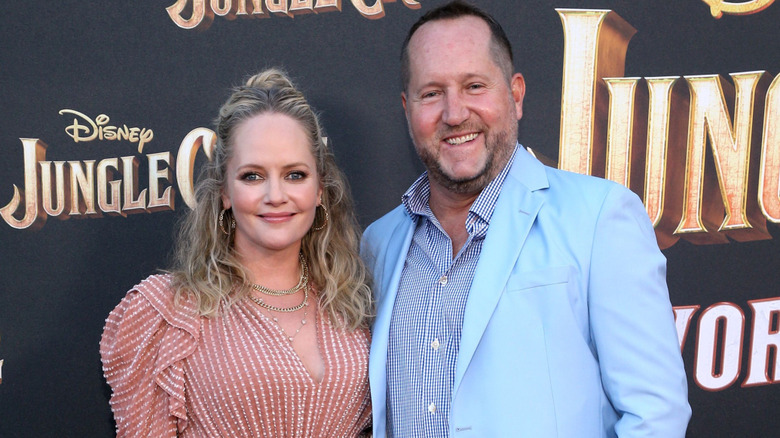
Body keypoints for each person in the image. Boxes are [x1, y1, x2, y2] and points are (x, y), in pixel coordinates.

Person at [361, 1, 691, 437]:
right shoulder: (379, 244)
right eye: (432, 93)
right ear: (407, 109)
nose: (454, 113)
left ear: (515, 95)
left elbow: (656, 417)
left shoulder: (599, 218)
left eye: (474, 86)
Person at [100, 68, 373, 437]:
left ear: (320, 189)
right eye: (252, 176)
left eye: (295, 174)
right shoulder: (170, 311)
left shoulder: (352, 303)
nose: (275, 195)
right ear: (224, 192)